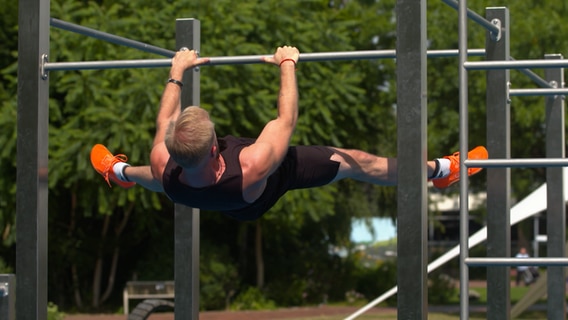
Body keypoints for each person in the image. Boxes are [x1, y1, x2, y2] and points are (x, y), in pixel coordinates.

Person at [90, 46, 489, 221]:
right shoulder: (254, 163)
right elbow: (286, 119)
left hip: (201, 190)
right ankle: (440, 171)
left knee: (153, 178)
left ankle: (118, 173)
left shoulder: (167, 162)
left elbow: (164, 120)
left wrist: (176, 72)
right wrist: (287, 63)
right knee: (354, 162)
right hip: (262, 190)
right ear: (216, 148)